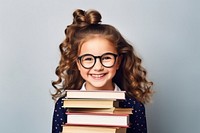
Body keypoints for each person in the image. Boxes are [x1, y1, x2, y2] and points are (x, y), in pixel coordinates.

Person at [51, 9, 153, 133]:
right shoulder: (63, 106)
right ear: (78, 63)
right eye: (88, 59)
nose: (98, 67)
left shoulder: (134, 106)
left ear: (118, 62)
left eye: (106, 58)